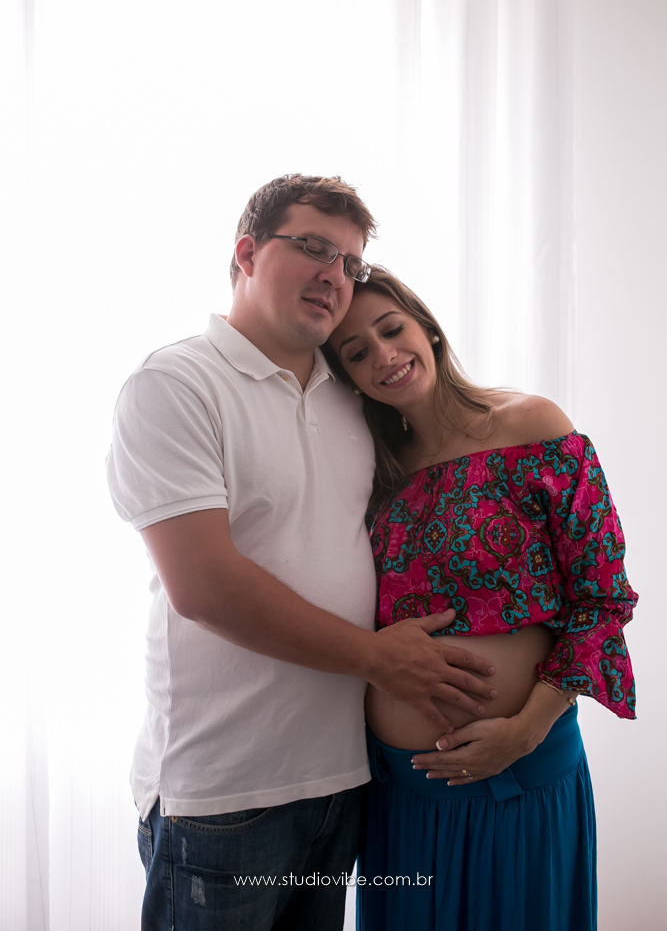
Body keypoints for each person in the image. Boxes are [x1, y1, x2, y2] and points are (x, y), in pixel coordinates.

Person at [106, 175, 500, 931]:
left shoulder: (352, 393)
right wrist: (381, 660)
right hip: (223, 795)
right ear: (247, 253)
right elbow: (205, 586)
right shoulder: (175, 385)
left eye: (350, 262)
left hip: (341, 779)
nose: (335, 274)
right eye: (314, 247)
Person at [325, 267, 637, 931]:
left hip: (521, 770)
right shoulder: (371, 469)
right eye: (356, 352)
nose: (383, 355)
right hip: (402, 792)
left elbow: (601, 600)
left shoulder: (531, 424)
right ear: (347, 376)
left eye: (392, 329)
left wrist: (524, 732)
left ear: (429, 330)